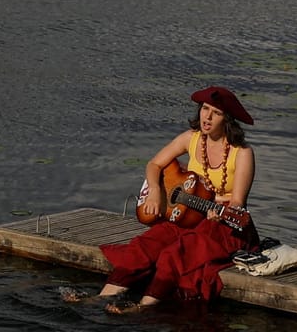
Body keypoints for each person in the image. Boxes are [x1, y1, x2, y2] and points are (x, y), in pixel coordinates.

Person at [82, 85, 259, 312]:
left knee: (175, 253)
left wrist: (218, 214)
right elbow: (154, 164)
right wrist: (155, 190)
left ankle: (143, 306)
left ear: (227, 119)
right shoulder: (190, 138)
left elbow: (238, 203)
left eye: (215, 113)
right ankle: (101, 297)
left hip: (223, 224)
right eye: (205, 109)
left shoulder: (242, 153)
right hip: (188, 214)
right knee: (146, 244)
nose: (207, 116)